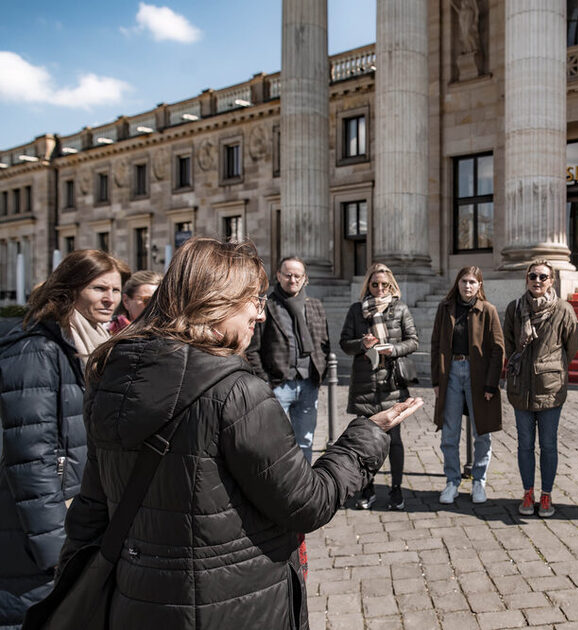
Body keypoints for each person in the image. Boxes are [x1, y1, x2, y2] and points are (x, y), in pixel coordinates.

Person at [58, 238, 423, 629]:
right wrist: (364, 437)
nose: (260, 314)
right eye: (253, 299)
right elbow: (307, 503)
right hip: (234, 603)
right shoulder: (237, 392)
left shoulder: (112, 374)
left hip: (138, 603)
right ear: (217, 301)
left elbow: (90, 513)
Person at [0, 249, 127, 628]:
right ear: (70, 290)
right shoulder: (37, 349)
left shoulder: (91, 345)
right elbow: (29, 459)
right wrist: (56, 548)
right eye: (99, 288)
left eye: (116, 290)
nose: (110, 299)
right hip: (36, 529)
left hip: (75, 515)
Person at [503, 260, 578, 518]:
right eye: (533, 276)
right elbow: (509, 343)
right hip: (520, 387)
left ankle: (546, 495)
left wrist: (553, 368)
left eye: (543, 277)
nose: (537, 281)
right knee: (525, 444)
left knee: (548, 444)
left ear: (552, 281)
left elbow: (572, 346)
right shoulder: (515, 308)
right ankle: (528, 492)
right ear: (527, 279)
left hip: (550, 389)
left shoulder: (563, 310)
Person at [340, 263, 419, 511]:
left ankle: (396, 489)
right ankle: (368, 488)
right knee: (365, 441)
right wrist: (362, 344)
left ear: (391, 285)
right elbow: (344, 343)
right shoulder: (356, 310)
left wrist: (393, 349)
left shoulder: (400, 308)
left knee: (394, 441)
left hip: (392, 383)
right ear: (368, 285)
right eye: (375, 284)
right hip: (365, 384)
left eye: (385, 284)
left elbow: (413, 341)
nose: (380, 288)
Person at [430, 266, 505, 505]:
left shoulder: (487, 310)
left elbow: (498, 349)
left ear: (479, 285)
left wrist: (491, 384)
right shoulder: (445, 308)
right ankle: (452, 481)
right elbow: (435, 344)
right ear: (458, 283)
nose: (468, 286)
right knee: (449, 433)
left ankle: (478, 481)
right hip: (451, 372)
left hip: (478, 375)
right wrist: (436, 380)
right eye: (464, 281)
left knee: (482, 431)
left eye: (472, 282)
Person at [246, 256, 330, 463]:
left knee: (305, 442)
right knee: (274, 443)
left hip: (308, 385)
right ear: (278, 275)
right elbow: (252, 349)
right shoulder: (267, 306)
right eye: (288, 275)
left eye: (297, 276)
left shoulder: (315, 306)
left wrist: (321, 372)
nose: (293, 280)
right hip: (277, 385)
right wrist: (265, 382)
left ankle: (304, 482)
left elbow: (324, 343)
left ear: (305, 278)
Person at [109, 270, 162, 334]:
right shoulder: (109, 332)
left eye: (160, 301)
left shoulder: (168, 333)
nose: (155, 306)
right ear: (126, 301)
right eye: (148, 300)